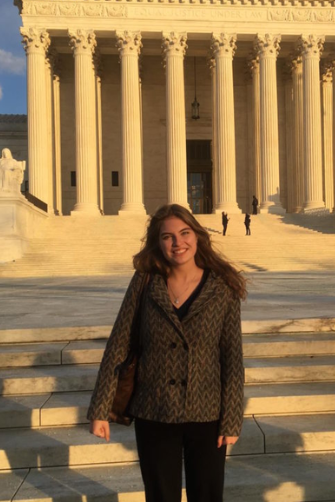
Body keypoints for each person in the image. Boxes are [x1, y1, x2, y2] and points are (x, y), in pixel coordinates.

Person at [87, 204, 245, 502]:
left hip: (206, 413)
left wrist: (232, 419)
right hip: (154, 410)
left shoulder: (222, 287)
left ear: (197, 236)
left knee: (208, 496)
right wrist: (100, 409)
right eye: (167, 236)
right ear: (157, 242)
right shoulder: (145, 282)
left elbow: (232, 359)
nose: (178, 243)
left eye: (184, 233)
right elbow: (119, 344)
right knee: (160, 496)